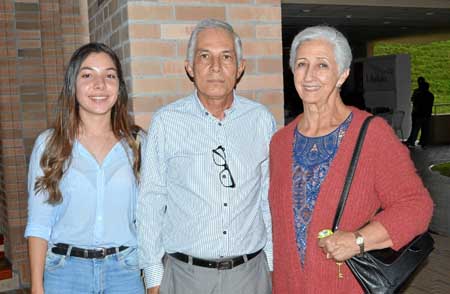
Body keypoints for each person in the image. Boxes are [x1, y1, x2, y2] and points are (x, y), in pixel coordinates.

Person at [268, 26, 434, 293]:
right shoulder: (280, 142)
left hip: (345, 285)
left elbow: (416, 206)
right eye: (301, 64)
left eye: (322, 65)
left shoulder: (372, 135)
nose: (309, 75)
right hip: (289, 285)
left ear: (342, 74)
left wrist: (359, 240)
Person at [137, 19, 276, 294]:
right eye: (204, 56)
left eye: (226, 57)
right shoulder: (167, 122)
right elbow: (150, 201)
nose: (215, 67)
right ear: (190, 66)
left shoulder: (261, 121)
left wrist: (271, 267)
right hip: (186, 278)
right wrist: (153, 277)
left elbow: (266, 199)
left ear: (240, 67)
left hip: (251, 276)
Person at [25, 43, 145, 294]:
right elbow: (39, 222)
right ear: (73, 85)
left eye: (109, 75)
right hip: (65, 274)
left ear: (119, 87)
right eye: (88, 75)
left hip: (124, 273)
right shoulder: (50, 144)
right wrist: (37, 286)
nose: (99, 85)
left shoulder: (138, 144)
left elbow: (149, 217)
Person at [405, 77, 435, 148]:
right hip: (427, 115)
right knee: (425, 130)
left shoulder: (417, 93)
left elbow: (413, 101)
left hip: (418, 115)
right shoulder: (431, 95)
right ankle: (423, 144)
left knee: (415, 129)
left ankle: (412, 142)